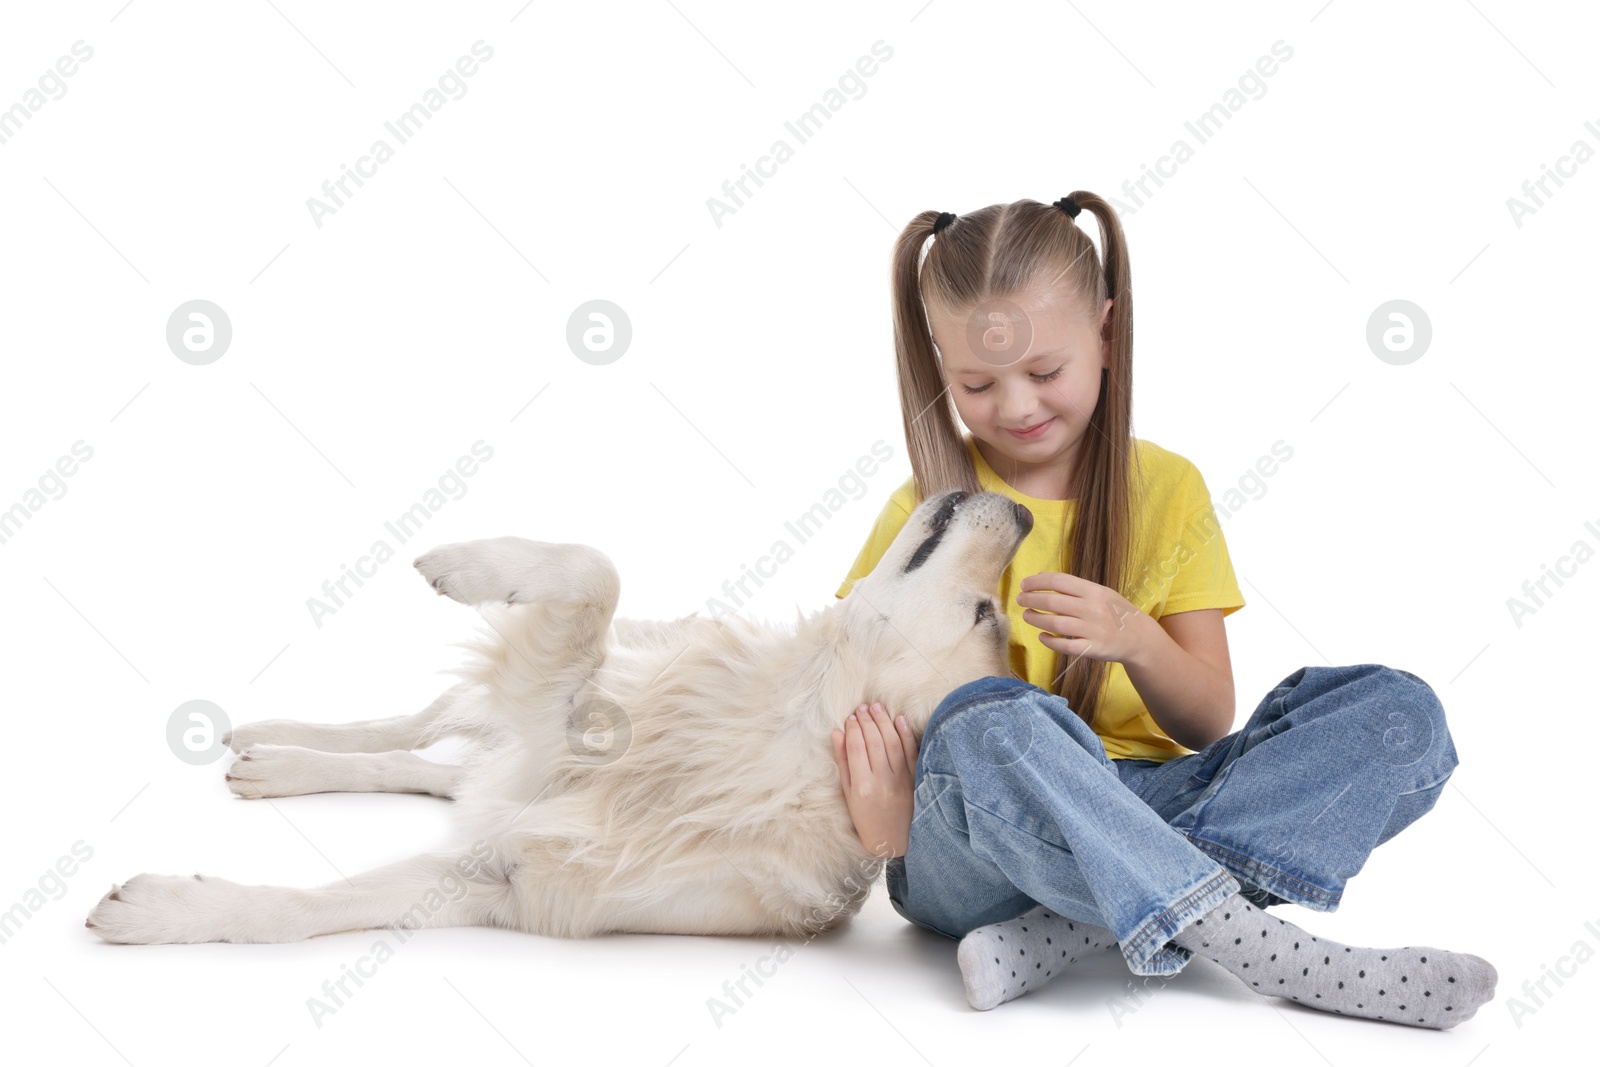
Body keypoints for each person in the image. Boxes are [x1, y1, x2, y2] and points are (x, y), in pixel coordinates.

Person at [827, 193, 1496, 1029]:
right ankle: (1276, 954)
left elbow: (1209, 721)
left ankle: (1070, 929)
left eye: (1045, 372)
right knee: (985, 718)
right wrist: (884, 827)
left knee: (1402, 716)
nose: (1018, 406)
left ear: (1107, 332)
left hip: (1146, 796)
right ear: (938, 368)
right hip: (976, 850)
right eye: (976, 383)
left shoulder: (1168, 489)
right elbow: (851, 694)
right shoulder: (926, 509)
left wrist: (1135, 639)